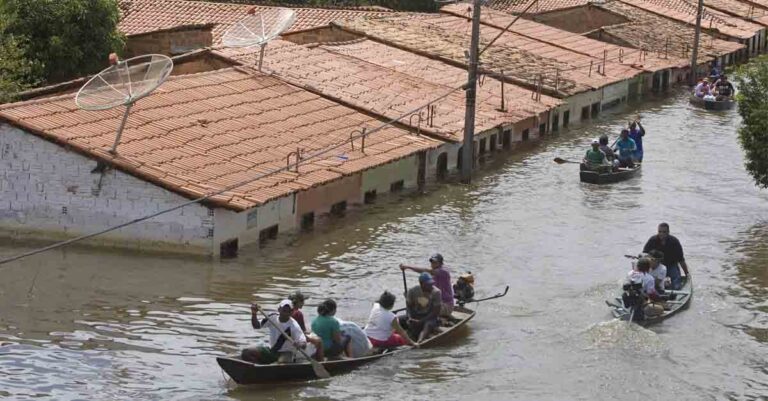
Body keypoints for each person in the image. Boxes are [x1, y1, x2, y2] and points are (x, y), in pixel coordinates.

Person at [242, 299, 307, 364]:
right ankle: (258, 368)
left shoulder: (294, 326)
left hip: (286, 353)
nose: (285, 313)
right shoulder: (272, 317)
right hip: (272, 351)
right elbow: (256, 326)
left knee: (280, 362)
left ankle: (269, 367)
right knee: (246, 352)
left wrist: (299, 344)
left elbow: (303, 343)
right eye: (284, 310)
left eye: (288, 311)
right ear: (279, 309)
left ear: (291, 312)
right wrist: (254, 313)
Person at [642, 222, 690, 290]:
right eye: (659, 231)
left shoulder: (674, 242)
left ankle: (674, 293)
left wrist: (686, 273)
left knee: (676, 285)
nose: (661, 234)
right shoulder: (652, 240)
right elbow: (644, 255)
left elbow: (681, 260)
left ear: (668, 232)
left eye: (664, 232)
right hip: (655, 266)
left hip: (671, 266)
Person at [400, 272, 442, 342]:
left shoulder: (436, 292)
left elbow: (436, 312)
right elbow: (409, 307)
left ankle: (419, 342)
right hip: (416, 315)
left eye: (432, 284)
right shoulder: (412, 291)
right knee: (398, 320)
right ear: (421, 284)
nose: (431, 286)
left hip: (429, 317)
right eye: (428, 284)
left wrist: (421, 321)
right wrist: (410, 317)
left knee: (428, 325)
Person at [288, 290, 324, 360]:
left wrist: (309, 333)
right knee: (319, 341)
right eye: (302, 301)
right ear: (297, 302)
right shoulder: (298, 314)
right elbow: (301, 336)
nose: (303, 303)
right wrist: (313, 340)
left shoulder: (284, 312)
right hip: (295, 346)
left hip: (288, 343)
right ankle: (321, 362)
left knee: (312, 335)